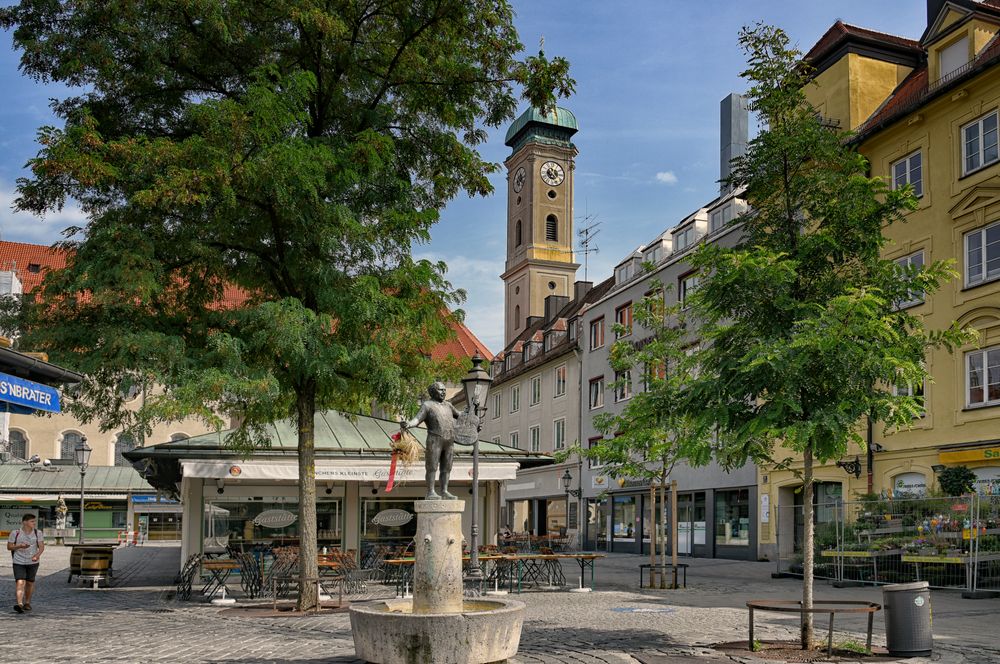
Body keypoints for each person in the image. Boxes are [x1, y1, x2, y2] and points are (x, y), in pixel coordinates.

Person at [402, 381, 461, 500]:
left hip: (449, 440)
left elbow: (460, 415)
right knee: (432, 466)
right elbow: (417, 419)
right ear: (433, 392)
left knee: (447, 467)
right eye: (440, 390)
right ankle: (431, 491)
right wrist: (408, 424)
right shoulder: (427, 405)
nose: (443, 392)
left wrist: (472, 415)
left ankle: (444, 491)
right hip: (435, 439)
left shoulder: (448, 405)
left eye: (444, 390)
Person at [7, 513, 45, 613]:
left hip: (33, 561)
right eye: (32, 521)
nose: (34, 523)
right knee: (20, 581)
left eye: (34, 521)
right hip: (18, 561)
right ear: (25, 522)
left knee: (29, 582)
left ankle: (27, 602)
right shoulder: (15, 533)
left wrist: (37, 555)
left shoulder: (38, 533)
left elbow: (41, 546)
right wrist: (19, 546)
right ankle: (19, 604)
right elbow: (9, 547)